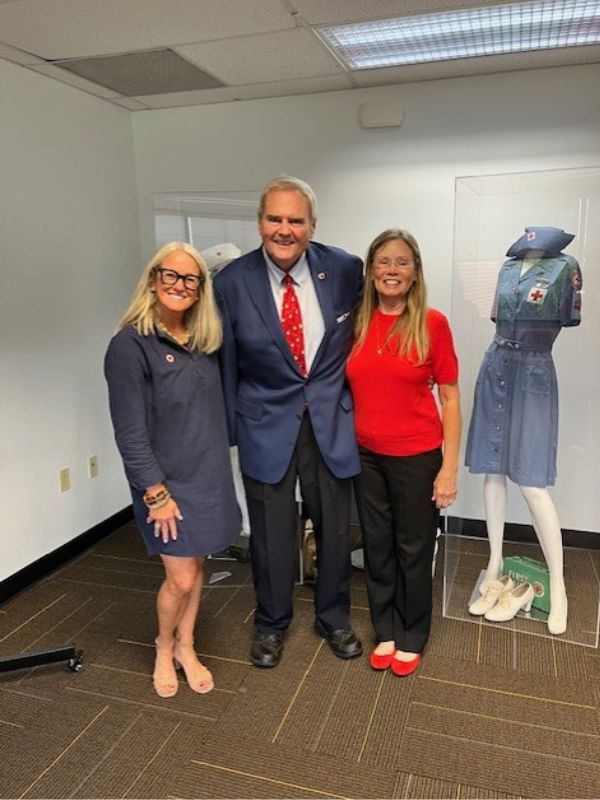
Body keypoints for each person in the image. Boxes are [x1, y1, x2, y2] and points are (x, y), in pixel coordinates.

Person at [213, 175, 363, 668]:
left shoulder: (344, 269)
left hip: (329, 423)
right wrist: (229, 434)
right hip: (263, 424)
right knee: (270, 535)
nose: (284, 229)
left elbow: (364, 338)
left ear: (312, 225)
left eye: (295, 220)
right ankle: (271, 623)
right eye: (274, 219)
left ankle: (333, 617)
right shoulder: (231, 283)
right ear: (259, 222)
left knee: (335, 529)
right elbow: (225, 363)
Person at [104, 242, 240, 697]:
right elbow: (129, 432)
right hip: (165, 484)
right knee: (179, 576)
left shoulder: (204, 342)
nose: (180, 285)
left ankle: (187, 645)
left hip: (208, 473)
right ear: (153, 279)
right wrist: (155, 493)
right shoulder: (129, 345)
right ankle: (164, 646)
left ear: (200, 289)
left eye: (190, 279)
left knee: (198, 563)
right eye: (171, 275)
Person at [346, 229, 461, 677]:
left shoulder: (433, 324)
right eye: (383, 261)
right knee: (377, 546)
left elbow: (450, 398)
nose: (392, 270)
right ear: (371, 271)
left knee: (413, 548)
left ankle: (413, 634)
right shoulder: (357, 322)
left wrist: (448, 468)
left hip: (417, 456)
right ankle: (386, 630)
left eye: (402, 262)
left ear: (415, 272)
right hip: (366, 456)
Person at [465, 226, 582, 635]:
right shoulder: (507, 267)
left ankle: (558, 586)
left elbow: (566, 318)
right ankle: (494, 562)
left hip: (534, 370)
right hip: (496, 364)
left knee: (532, 483)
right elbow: (498, 317)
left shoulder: (566, 267)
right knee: (492, 471)